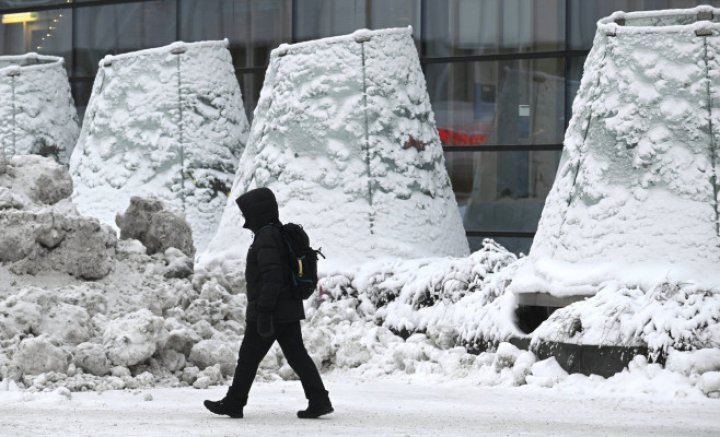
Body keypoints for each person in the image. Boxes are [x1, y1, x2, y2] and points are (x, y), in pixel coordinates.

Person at [203, 187, 333, 419]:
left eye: (247, 214)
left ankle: (234, 403)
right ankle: (319, 400)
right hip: (287, 308)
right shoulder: (275, 233)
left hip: (271, 310)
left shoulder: (266, 237)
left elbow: (272, 277)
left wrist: (263, 310)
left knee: (249, 357)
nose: (245, 220)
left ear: (257, 213)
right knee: (296, 355)